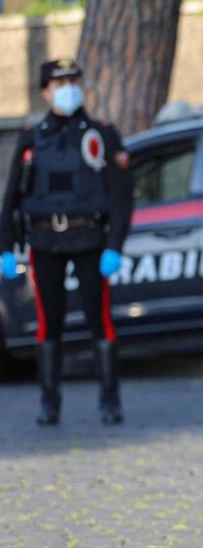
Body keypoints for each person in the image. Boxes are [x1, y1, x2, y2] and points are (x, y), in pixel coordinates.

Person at [0, 59, 134, 426]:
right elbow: (12, 196)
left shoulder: (101, 134)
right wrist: (6, 246)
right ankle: (49, 404)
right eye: (59, 83)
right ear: (45, 91)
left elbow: (122, 197)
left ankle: (110, 401)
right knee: (49, 323)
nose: (67, 88)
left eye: (73, 80)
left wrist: (115, 245)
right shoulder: (32, 137)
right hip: (44, 241)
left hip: (90, 238)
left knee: (99, 320)